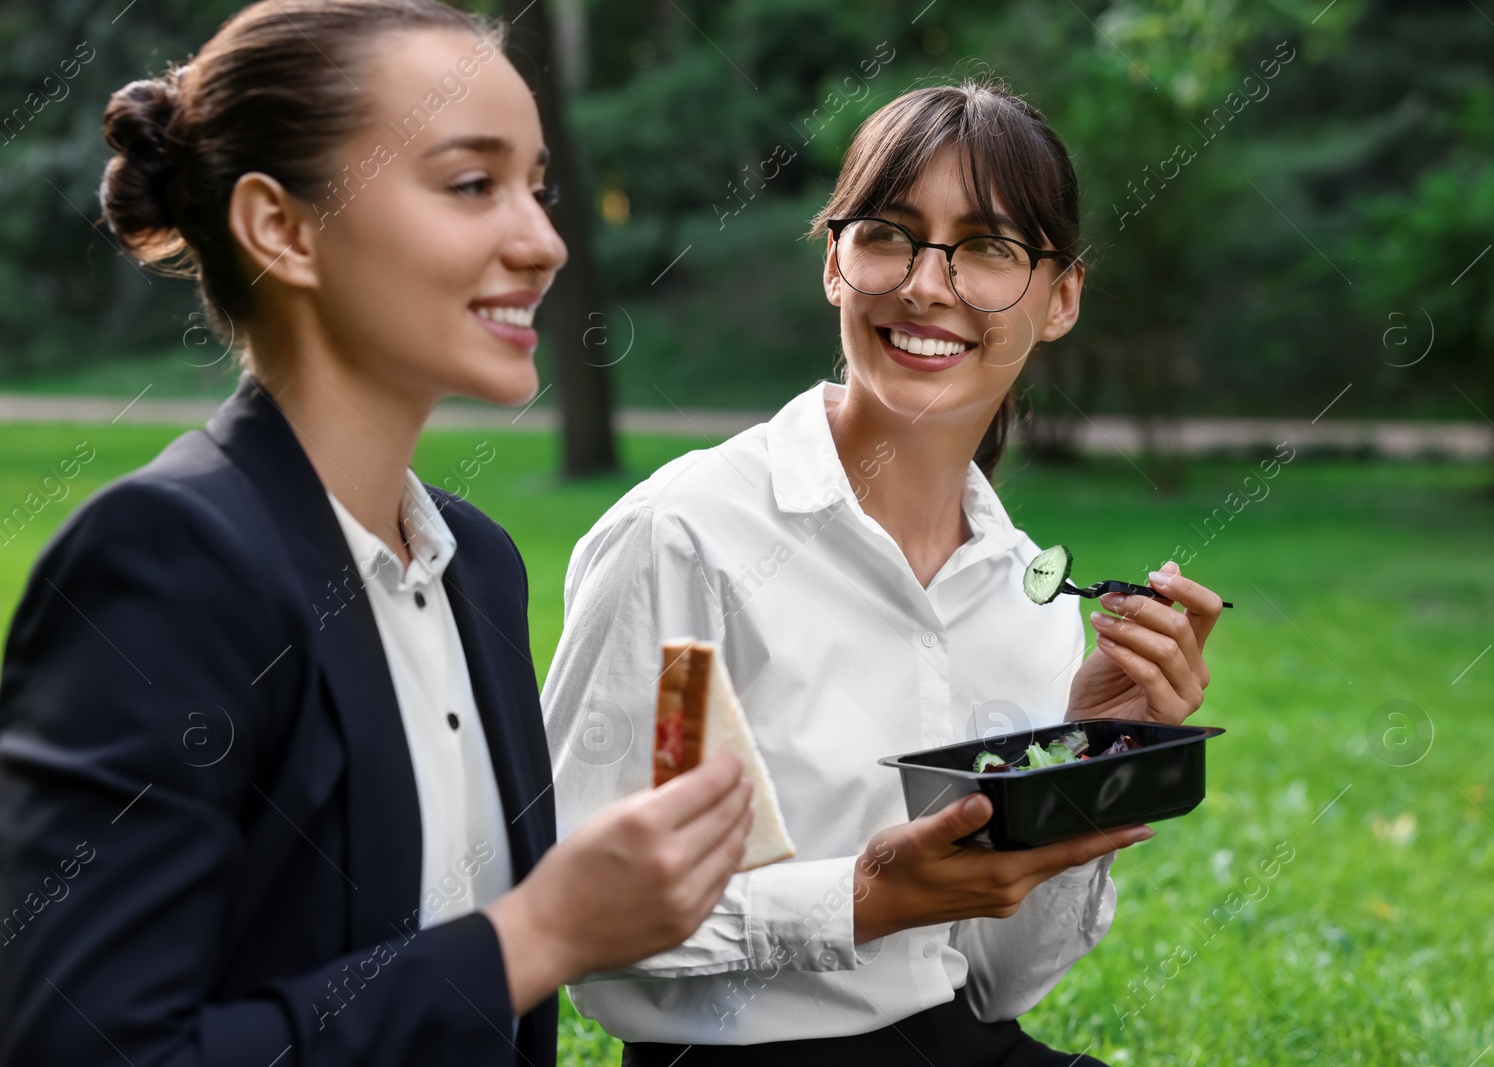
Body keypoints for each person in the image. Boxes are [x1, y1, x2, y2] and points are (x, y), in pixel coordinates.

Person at [0, 3, 754, 1065]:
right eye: (470, 183)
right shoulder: (166, 563)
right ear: (282, 227)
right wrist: (538, 931)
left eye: (537, 188)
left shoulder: (477, 567)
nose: (543, 240)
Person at [543, 81, 1227, 1066]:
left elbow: (999, 976)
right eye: (888, 234)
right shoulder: (685, 536)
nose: (926, 285)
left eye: (989, 248)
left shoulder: (1021, 592)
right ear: (834, 262)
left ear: (1062, 295)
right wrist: (859, 898)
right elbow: (581, 915)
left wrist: (1086, 768)